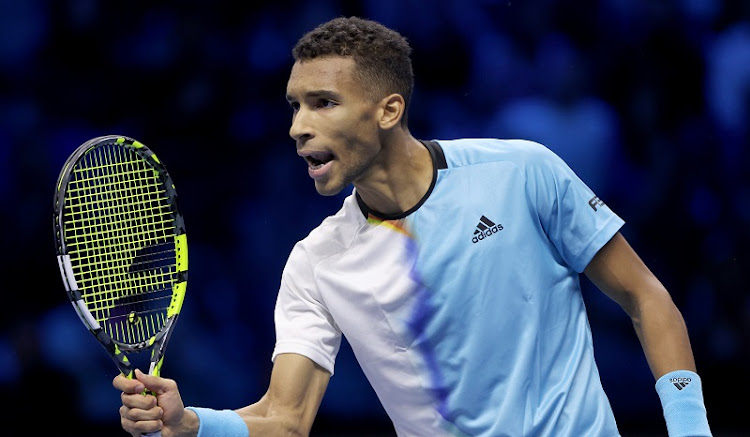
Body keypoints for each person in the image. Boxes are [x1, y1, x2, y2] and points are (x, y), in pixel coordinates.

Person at [114, 16, 712, 437]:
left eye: (322, 103)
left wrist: (690, 431)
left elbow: (644, 296)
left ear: (388, 110)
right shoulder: (316, 264)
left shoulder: (522, 172)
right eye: (293, 106)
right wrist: (192, 423)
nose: (298, 126)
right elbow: (285, 418)